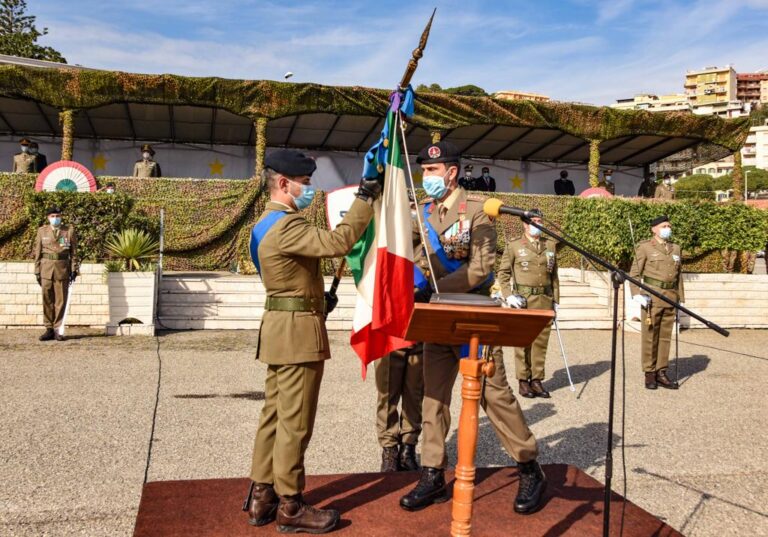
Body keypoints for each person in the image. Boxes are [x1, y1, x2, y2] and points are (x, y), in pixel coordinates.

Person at [399, 141, 546, 515]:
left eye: (432, 171)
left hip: (474, 320)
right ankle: (433, 473)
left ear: (451, 172)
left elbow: (480, 269)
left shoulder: (478, 212)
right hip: (437, 322)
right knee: (433, 398)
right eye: (423, 171)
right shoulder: (424, 214)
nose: (426, 178)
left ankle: (529, 466)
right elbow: (419, 258)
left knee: (494, 397)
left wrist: (432, 288)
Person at [244, 149, 380, 533]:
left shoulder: (263, 225)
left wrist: (318, 299)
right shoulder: (288, 225)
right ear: (284, 184)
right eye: (305, 183)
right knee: (295, 422)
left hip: (279, 326)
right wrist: (365, 197)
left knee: (273, 415)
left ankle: (262, 496)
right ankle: (290, 504)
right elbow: (338, 242)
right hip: (298, 332)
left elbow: (288, 277)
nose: (310, 189)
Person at [497, 211, 559, 398]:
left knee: (541, 341)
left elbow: (553, 275)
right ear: (525, 224)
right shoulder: (514, 245)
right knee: (523, 341)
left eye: (540, 221)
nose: (538, 224)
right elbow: (503, 274)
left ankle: (537, 380)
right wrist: (508, 296)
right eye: (534, 222)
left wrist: (556, 300)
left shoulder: (550, 245)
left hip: (544, 299)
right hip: (523, 299)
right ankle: (523, 380)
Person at [629, 215, 683, 390]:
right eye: (663, 226)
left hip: (670, 297)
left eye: (668, 225)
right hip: (652, 298)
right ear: (654, 229)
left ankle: (661, 371)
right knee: (650, 336)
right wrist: (637, 294)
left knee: (665, 336)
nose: (667, 228)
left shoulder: (676, 248)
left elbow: (678, 276)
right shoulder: (645, 247)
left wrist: (680, 299)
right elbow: (634, 273)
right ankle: (649, 373)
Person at [374, 342, 423, 472]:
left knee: (415, 396)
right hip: (389, 335)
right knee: (387, 396)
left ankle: (408, 449)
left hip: (420, 335)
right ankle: (389, 451)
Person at [33, 206, 78, 342]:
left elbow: (74, 252)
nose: (55, 218)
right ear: (48, 218)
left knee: (61, 300)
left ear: (61, 217)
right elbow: (38, 252)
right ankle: (49, 328)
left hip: (62, 268)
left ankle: (58, 329)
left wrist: (74, 269)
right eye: (52, 216)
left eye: (57, 216)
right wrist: (37, 270)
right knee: (47, 299)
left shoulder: (68, 231)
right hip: (46, 268)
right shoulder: (42, 231)